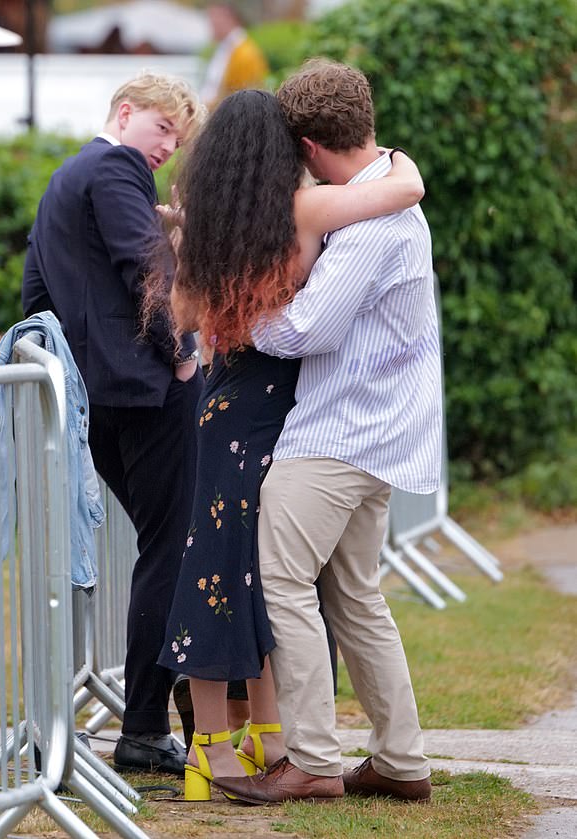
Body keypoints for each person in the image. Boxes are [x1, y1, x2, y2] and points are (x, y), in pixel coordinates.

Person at [150, 87, 425, 800]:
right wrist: (401, 165)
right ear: (285, 150)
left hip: (246, 406)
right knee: (277, 581)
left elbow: (188, 312)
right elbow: (403, 190)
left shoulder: (216, 222)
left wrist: (231, 321)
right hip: (287, 411)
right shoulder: (303, 210)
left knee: (236, 570)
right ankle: (308, 749)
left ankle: (261, 745)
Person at [21, 72, 206, 776]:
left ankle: (160, 704)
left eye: (177, 137)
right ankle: (145, 723)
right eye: (163, 128)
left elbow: (35, 293)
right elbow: (147, 269)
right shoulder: (116, 167)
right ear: (126, 113)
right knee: (174, 546)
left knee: (165, 547)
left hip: (94, 400)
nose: (168, 146)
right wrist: (183, 351)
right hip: (149, 391)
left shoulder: (66, 178)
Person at [200, 3, 268, 110]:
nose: (210, 25)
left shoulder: (245, 54)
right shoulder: (226, 47)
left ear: (228, 17)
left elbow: (239, 101)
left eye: (213, 18)